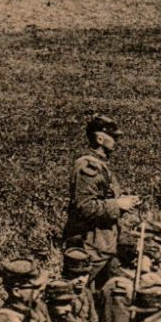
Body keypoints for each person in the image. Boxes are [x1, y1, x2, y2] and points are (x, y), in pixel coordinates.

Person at [63, 114, 140, 268]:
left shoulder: (100, 164)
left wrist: (124, 201)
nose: (116, 142)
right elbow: (85, 207)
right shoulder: (87, 166)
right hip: (89, 246)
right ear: (99, 139)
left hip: (103, 244)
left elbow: (103, 197)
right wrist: (118, 205)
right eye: (113, 137)